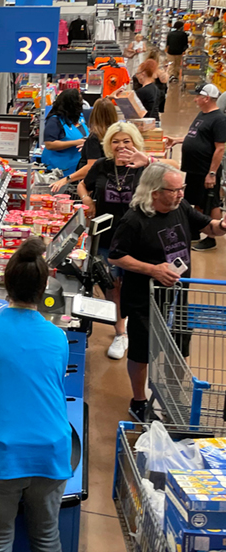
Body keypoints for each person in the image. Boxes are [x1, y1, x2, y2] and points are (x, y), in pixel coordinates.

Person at [0, 237, 72, 552]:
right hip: (50, 451)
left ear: (6, 285)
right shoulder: (58, 337)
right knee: (47, 537)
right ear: (44, 287)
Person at [108, 163, 226, 421]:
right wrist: (152, 269)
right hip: (144, 299)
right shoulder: (134, 220)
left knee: (179, 347)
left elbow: (209, 227)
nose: (181, 194)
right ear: (154, 192)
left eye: (182, 188)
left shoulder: (180, 207)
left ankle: (171, 396)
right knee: (141, 353)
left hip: (177, 296)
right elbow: (116, 257)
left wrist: (223, 225)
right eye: (174, 190)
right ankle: (138, 400)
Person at [77, 122, 162, 360]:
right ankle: (120, 332)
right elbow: (84, 184)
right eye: (116, 141)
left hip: (139, 238)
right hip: (107, 237)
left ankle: (138, 329)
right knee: (111, 285)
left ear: (135, 143)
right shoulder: (103, 166)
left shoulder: (145, 168)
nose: (121, 146)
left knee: (135, 287)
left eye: (126, 141)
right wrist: (88, 200)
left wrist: (148, 161)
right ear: (108, 144)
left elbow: (174, 171)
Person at [166, 83, 226, 251]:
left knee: (210, 202)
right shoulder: (202, 114)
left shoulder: (219, 119)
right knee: (196, 201)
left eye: (198, 96)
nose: (195, 99)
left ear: (206, 98)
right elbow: (195, 136)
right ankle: (195, 232)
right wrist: (177, 140)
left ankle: (211, 238)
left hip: (206, 170)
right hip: (194, 169)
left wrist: (212, 173)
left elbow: (220, 148)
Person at [51, 98, 119, 193]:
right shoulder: (116, 135)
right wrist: (88, 148)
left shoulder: (94, 137)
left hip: (94, 187)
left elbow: (91, 166)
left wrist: (66, 179)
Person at [42, 88, 89, 178]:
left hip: (76, 168)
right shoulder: (55, 121)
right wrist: (76, 142)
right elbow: (49, 144)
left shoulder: (79, 117)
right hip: (58, 170)